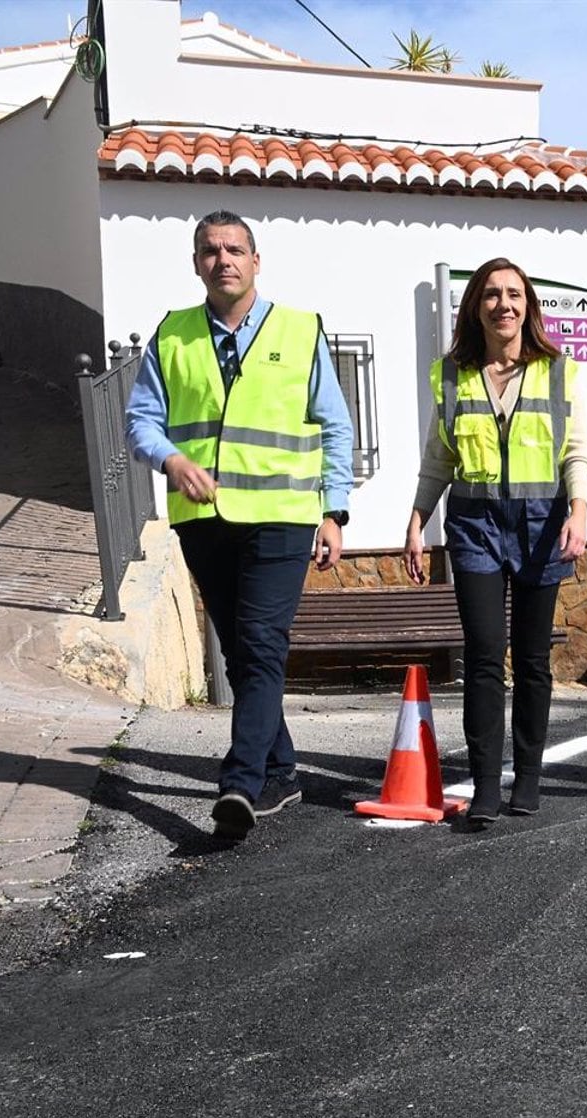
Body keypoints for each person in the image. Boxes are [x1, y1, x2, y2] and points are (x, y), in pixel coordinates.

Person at [124, 210, 354, 840]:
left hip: (281, 517)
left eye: (234, 250)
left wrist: (333, 510)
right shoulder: (171, 336)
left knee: (259, 645)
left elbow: (335, 425)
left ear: (256, 261)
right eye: (209, 250)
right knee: (242, 649)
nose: (222, 259)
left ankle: (240, 782)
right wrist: (170, 458)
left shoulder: (301, 331)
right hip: (203, 519)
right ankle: (282, 769)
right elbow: (142, 419)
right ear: (196, 263)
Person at [404, 257, 587, 827]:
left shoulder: (560, 371)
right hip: (475, 523)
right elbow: (439, 458)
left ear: (528, 305)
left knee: (532, 660)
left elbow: (575, 451)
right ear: (475, 306)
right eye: (491, 295)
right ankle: (486, 783)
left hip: (542, 524)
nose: (503, 304)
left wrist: (579, 511)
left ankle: (527, 778)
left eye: (513, 294)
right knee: (484, 656)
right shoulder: (451, 375)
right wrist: (417, 520)